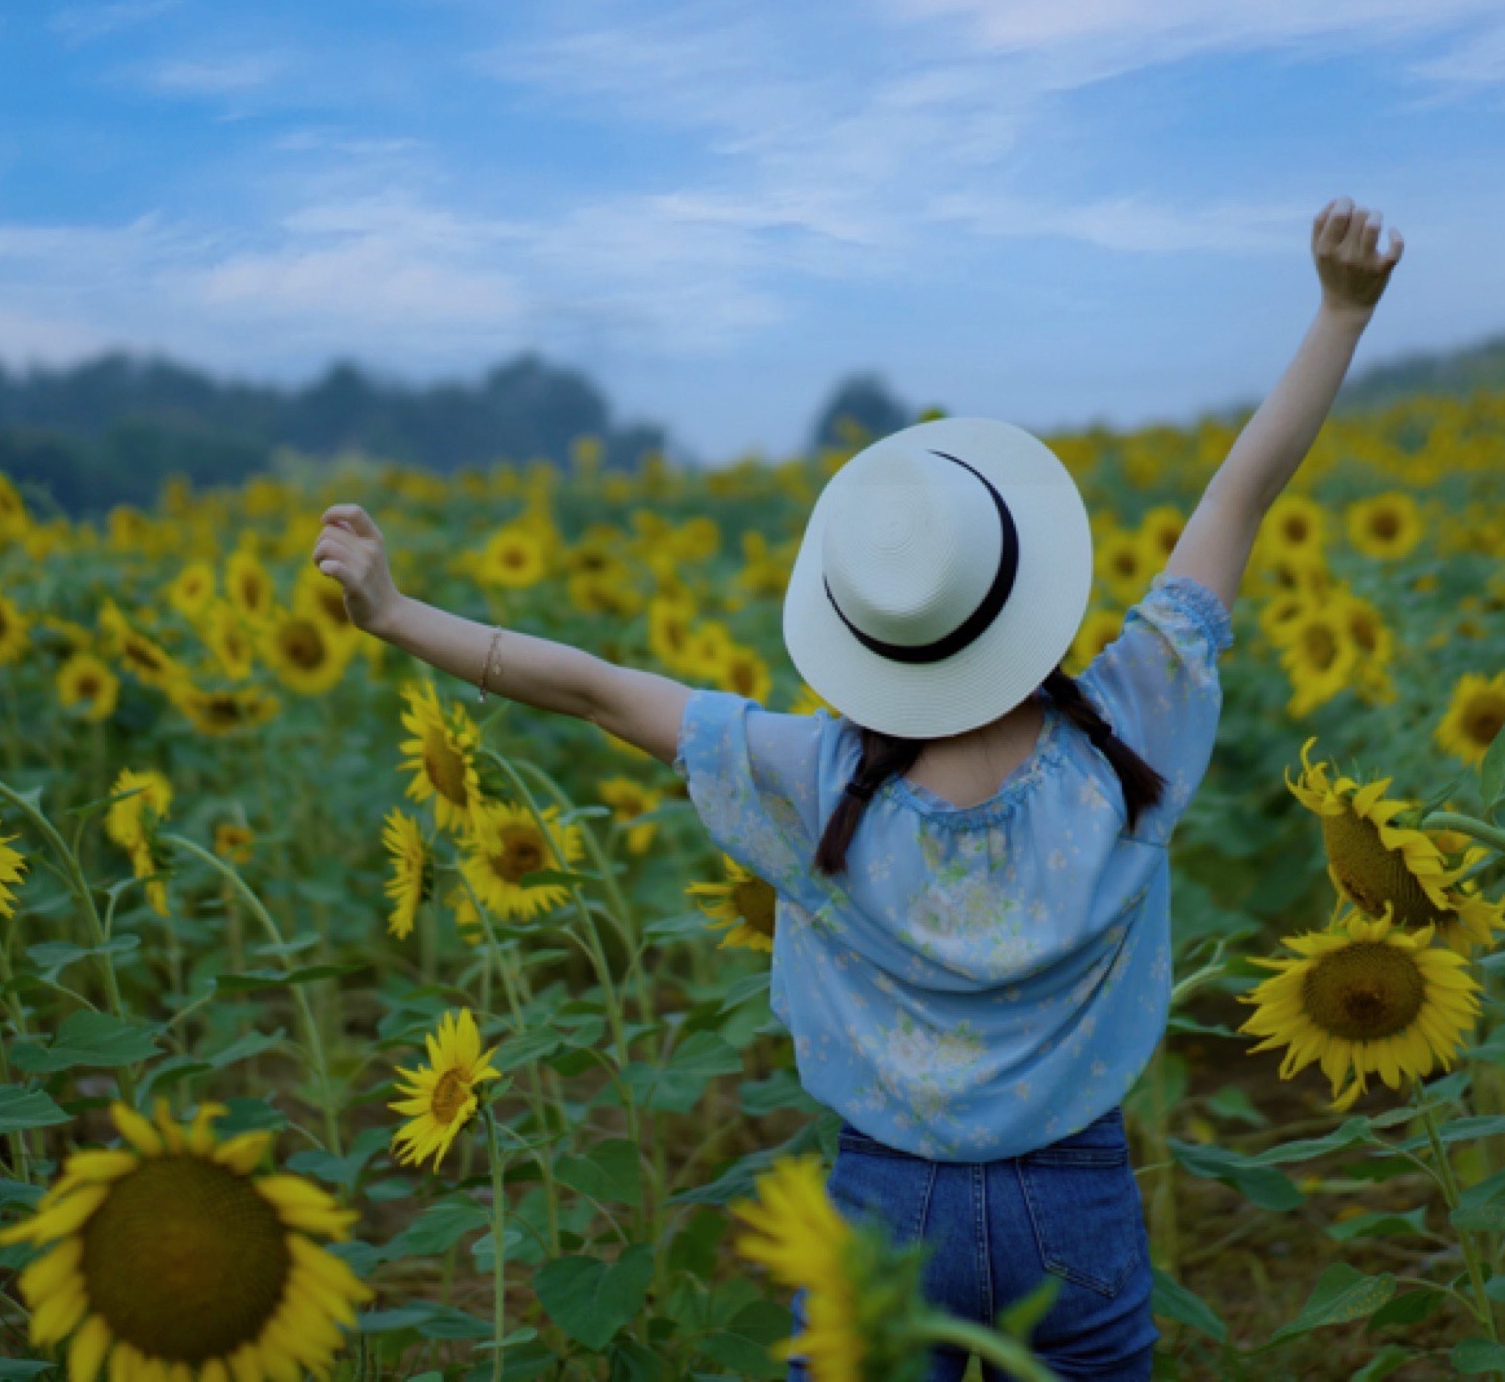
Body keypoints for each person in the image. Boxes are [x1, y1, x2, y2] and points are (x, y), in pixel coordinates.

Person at [309, 197, 1404, 1380]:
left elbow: (592, 692)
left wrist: (392, 613)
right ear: (1024, 594)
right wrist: (1340, 313)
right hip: (1078, 1194)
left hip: (885, 1204)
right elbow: (1236, 498)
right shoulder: (1134, 730)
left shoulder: (808, 780)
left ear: (861, 638)